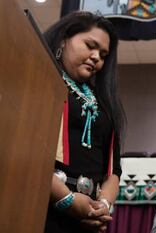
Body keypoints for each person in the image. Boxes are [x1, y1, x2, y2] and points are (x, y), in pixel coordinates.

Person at [43, 11, 125, 233]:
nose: (97, 56)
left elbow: (114, 171)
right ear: (64, 38)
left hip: (89, 220)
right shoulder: (41, 81)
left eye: (103, 54)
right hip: (42, 208)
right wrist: (67, 200)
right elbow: (25, 152)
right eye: (90, 45)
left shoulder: (104, 102)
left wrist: (103, 207)